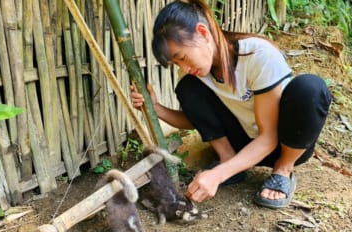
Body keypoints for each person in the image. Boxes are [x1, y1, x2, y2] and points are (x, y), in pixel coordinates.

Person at [130, 0, 332, 209]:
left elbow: (269, 137)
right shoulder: (197, 73)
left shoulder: (257, 55)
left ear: (203, 32)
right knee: (187, 87)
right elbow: (196, 121)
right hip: (243, 143)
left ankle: (283, 169)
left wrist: (217, 174)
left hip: (284, 143)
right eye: (177, 64)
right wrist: (156, 108)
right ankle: (228, 158)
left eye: (182, 57)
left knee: (310, 88)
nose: (184, 67)